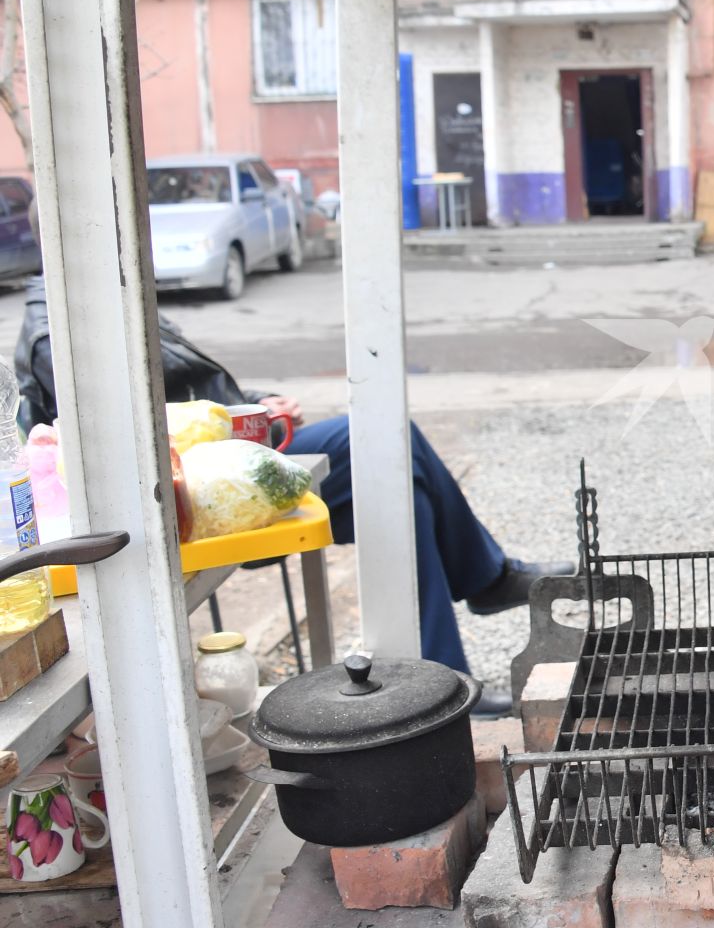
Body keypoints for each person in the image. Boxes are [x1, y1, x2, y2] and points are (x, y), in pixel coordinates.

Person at [13, 279, 568, 715]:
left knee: (400, 485)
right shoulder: (61, 331)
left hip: (216, 463)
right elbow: (136, 439)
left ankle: (445, 682)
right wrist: (241, 431)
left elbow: (197, 400)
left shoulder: (117, 297)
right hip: (194, 497)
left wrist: (257, 403)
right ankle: (485, 585)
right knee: (379, 438)